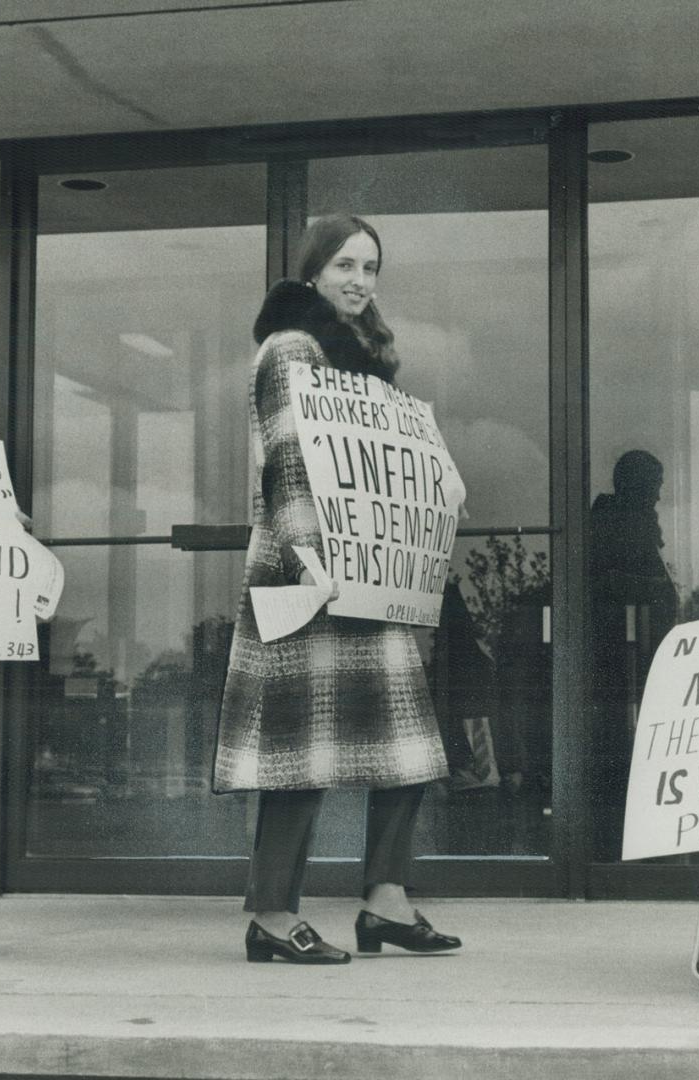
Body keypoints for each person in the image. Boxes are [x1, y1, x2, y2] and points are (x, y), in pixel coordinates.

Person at [216, 214, 462, 965]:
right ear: (314, 273)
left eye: (371, 267)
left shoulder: (365, 360)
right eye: (346, 265)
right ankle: (270, 913)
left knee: (407, 747)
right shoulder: (292, 347)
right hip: (311, 568)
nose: (360, 280)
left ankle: (386, 900)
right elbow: (290, 459)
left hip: (367, 567)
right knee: (299, 752)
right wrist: (306, 560)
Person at [589, 450, 679, 859]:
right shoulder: (616, 520)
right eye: (655, 486)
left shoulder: (637, 520)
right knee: (617, 724)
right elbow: (615, 579)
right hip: (616, 642)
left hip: (639, 641)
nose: (659, 496)